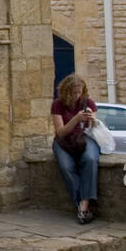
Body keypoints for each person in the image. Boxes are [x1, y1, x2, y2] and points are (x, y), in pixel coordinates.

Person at [51, 73, 100, 224]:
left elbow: (95, 127)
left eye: (79, 92)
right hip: (63, 141)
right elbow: (60, 132)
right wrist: (76, 119)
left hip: (84, 138)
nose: (77, 95)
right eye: (74, 93)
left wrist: (93, 120)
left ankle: (83, 205)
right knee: (66, 167)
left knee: (90, 159)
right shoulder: (57, 104)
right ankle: (82, 205)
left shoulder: (88, 103)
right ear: (66, 91)